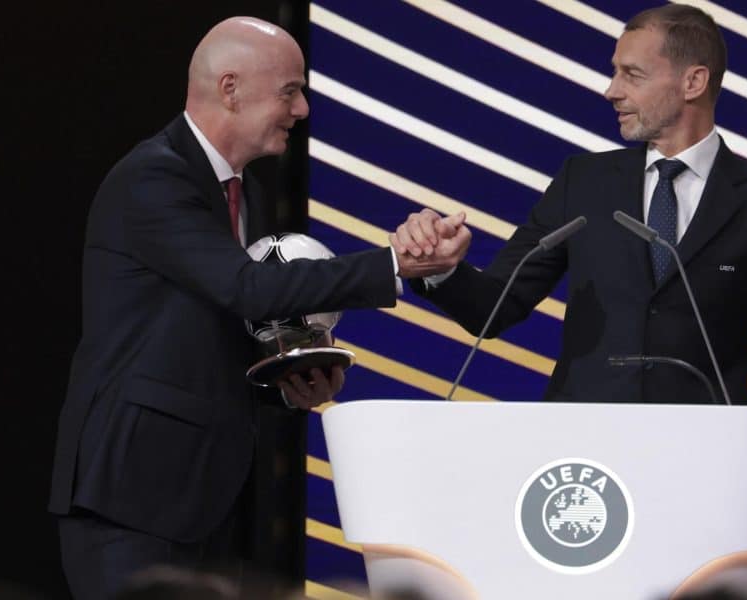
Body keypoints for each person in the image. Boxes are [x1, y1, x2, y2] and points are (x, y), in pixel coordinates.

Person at [49, 17, 457, 600]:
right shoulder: (153, 178)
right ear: (230, 88)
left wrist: (285, 380)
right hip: (130, 497)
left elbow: (217, 330)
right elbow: (249, 290)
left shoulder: (247, 194)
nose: (304, 109)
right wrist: (394, 263)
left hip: (207, 496)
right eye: (290, 90)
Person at [392, 4, 747, 409]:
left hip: (707, 456)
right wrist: (441, 270)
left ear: (693, 82)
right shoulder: (582, 182)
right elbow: (494, 310)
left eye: (633, 75)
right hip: (585, 450)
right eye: (614, 73)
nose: (611, 91)